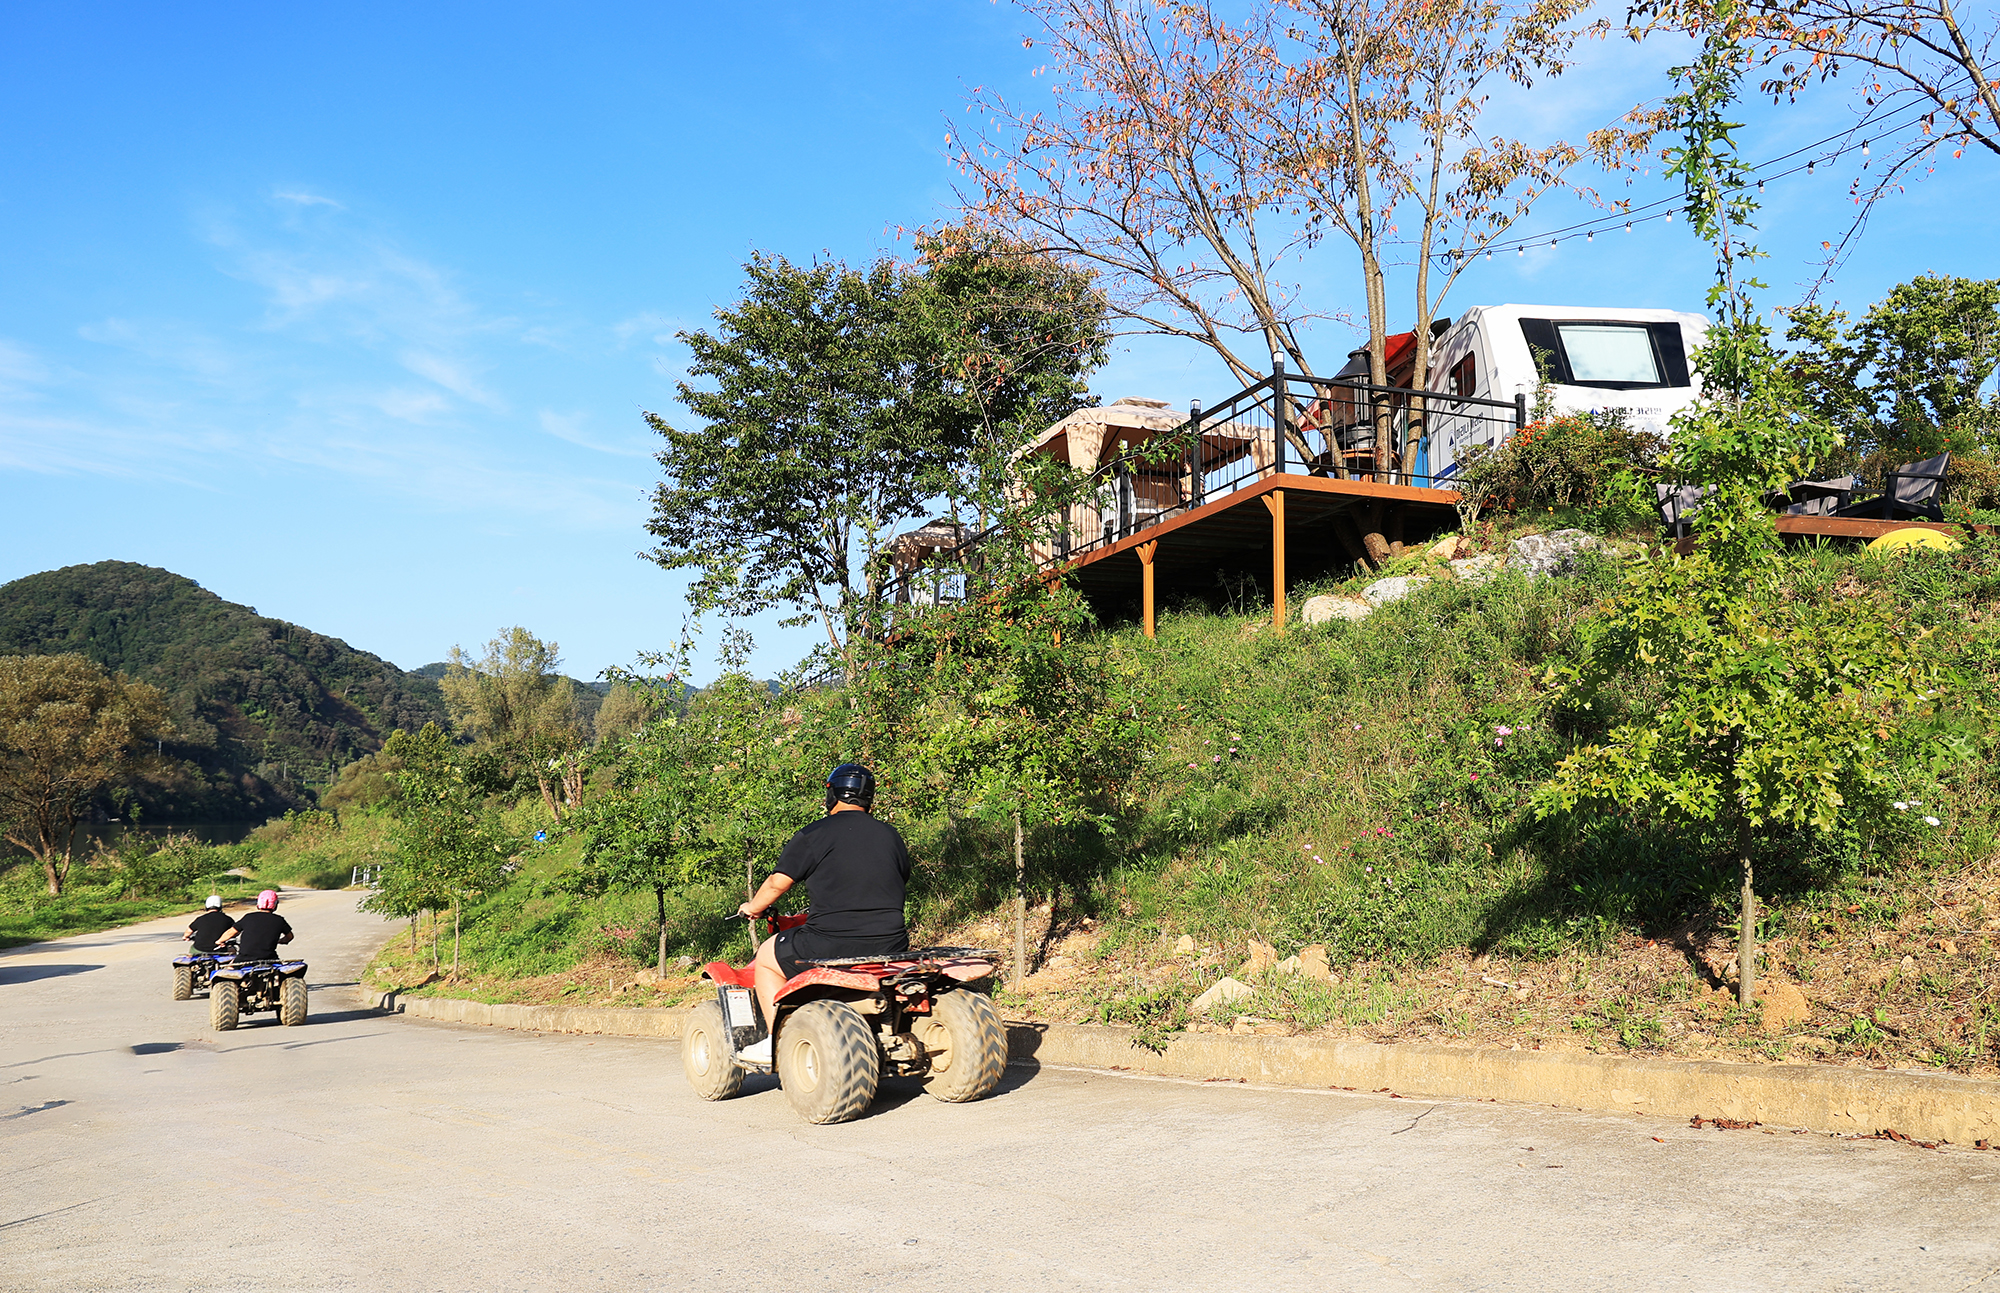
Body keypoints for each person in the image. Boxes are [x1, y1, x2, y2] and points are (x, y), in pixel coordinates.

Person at [734, 763, 910, 1064]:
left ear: (832, 794)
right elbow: (901, 877)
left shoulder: (813, 834)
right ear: (869, 798)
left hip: (830, 943)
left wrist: (753, 907)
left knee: (766, 956)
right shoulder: (891, 836)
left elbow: (778, 882)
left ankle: (777, 1041)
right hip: (891, 946)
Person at [218, 890, 295, 962]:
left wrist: (220, 941)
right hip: (269, 958)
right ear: (275, 905)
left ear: (258, 904)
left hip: (245, 958)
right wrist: (280, 941)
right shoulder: (279, 920)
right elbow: (289, 937)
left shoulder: (248, 917)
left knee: (229, 968)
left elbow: (230, 933)